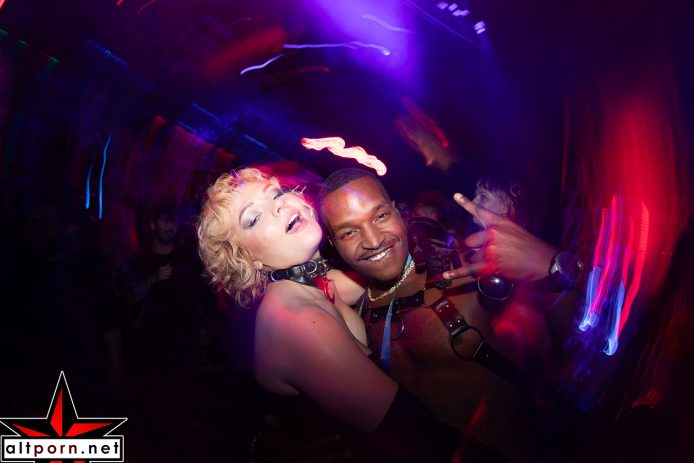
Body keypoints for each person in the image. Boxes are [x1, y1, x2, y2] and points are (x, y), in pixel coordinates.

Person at [196, 168, 460, 463]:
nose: (279, 205)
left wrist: (433, 244)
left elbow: (394, 275)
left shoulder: (314, 283)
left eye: (276, 194)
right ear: (247, 258)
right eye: (254, 217)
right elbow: (417, 436)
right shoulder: (296, 320)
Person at [318, 168, 532, 462]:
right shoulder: (352, 312)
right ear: (333, 243)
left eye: (380, 216)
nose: (373, 240)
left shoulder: (465, 272)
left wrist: (555, 266)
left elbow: (565, 341)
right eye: (349, 232)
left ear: (398, 212)